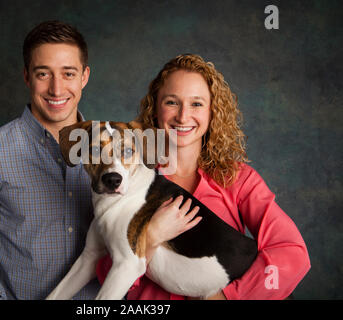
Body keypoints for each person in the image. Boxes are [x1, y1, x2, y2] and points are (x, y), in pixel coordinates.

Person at [97, 54, 311, 299]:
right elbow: (105, 272)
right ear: (155, 110)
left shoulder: (237, 179)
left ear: (212, 113)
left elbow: (291, 252)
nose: (183, 116)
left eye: (196, 104)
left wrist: (230, 297)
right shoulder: (124, 179)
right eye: (171, 102)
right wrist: (151, 238)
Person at [0, 20, 100, 299]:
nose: (56, 88)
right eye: (43, 74)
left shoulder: (114, 151)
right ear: (27, 76)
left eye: (68, 73)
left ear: (84, 76)